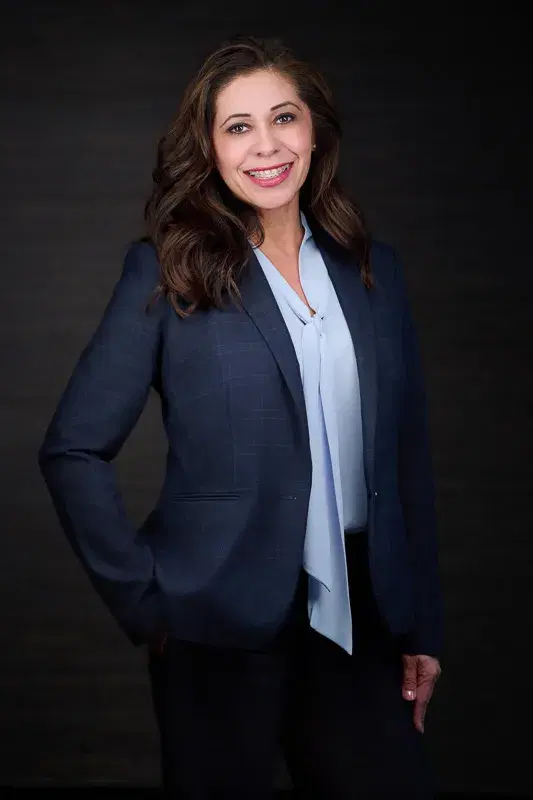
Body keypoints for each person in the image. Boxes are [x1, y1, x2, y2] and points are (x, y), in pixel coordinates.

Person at [38, 34, 443, 798]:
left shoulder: (372, 271)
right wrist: (144, 597)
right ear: (211, 148)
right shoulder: (167, 268)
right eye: (237, 126)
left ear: (313, 131)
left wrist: (422, 627)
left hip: (364, 618)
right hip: (215, 617)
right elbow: (73, 450)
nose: (266, 145)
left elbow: (405, 459)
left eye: (283, 118)